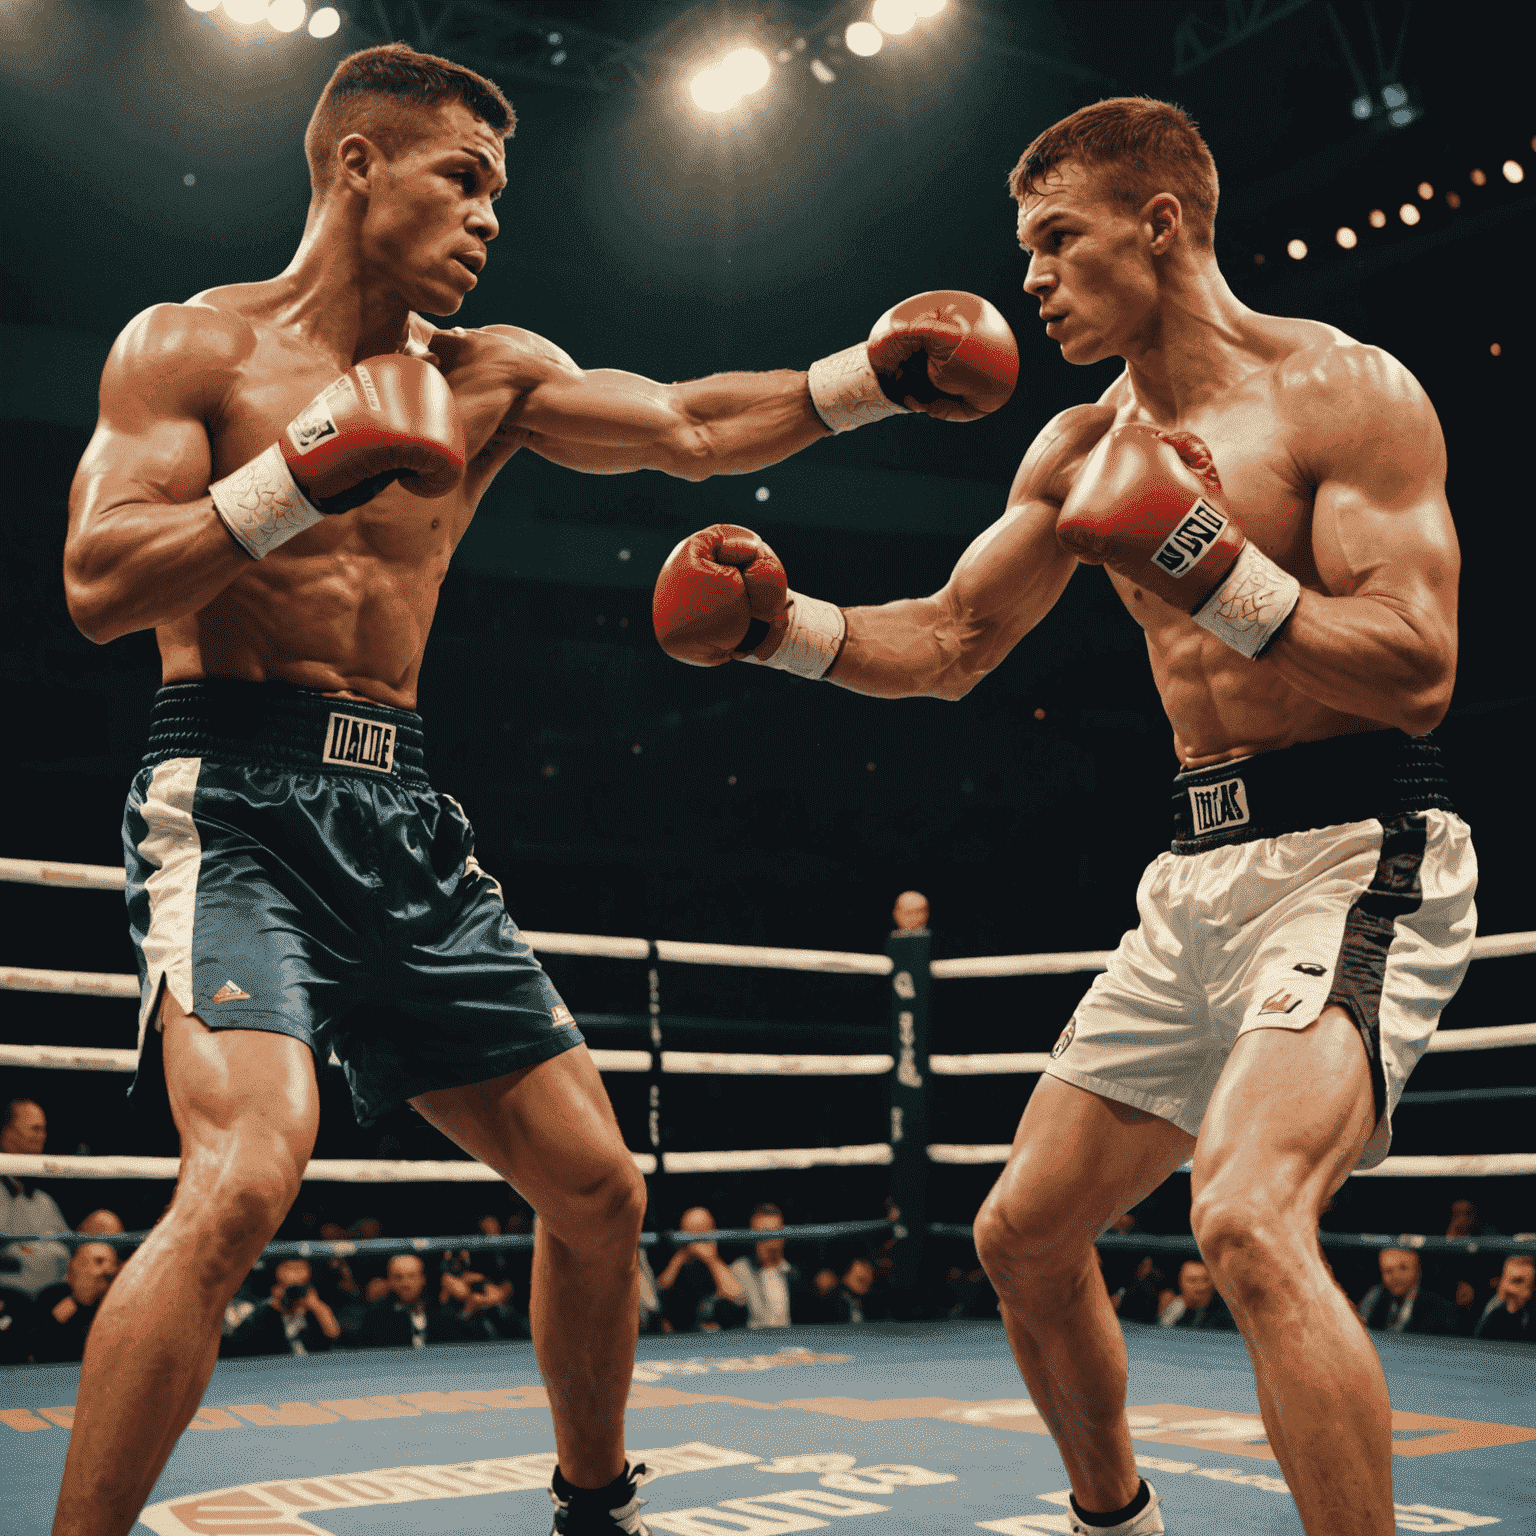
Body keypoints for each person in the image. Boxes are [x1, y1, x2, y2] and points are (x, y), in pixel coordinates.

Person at [54, 39, 1010, 1536]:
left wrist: (871, 381)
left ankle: (593, 1506)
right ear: (357, 165)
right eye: (465, 178)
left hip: (406, 819)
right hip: (232, 799)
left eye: (500, 189)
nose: (493, 215)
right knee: (246, 1177)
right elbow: (100, 583)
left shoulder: (487, 374)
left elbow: (691, 426)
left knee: (599, 1188)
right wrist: (300, 470)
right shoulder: (191, 350)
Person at [654, 96, 1477, 1536]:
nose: (1028, 278)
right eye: (1023, 248)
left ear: (1160, 226)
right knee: (1025, 1236)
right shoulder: (1078, 445)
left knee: (1244, 1216)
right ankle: (1119, 1523)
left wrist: (1212, 561)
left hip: (1357, 851)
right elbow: (955, 641)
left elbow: (1416, 669)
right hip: (1198, 872)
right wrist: (781, 630)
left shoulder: (1343, 393)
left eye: (1056, 240)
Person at [1, 1097, 72, 1302]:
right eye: (35, 1129)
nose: (42, 1136)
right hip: (12, 1303)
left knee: (103, 1223)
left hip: (52, 1302)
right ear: (8, 1134)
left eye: (44, 1129)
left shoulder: (44, 1201)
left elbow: (71, 1250)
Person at [653, 1207, 748, 1333]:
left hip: (724, 1339)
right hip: (683, 1339)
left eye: (702, 1233)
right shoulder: (675, 1262)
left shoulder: (724, 1258)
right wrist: (681, 1256)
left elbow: (739, 1299)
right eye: (690, 1234)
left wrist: (712, 1260)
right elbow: (657, 1297)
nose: (696, 1241)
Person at [224, 1257, 341, 1356]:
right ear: (277, 1289)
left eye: (300, 1289)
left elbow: (333, 1334)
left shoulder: (313, 1311)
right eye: (290, 1289)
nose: (294, 1295)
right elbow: (238, 1346)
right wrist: (276, 1308)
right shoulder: (265, 1315)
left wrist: (317, 1306)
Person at [727, 1203, 817, 1329]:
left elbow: (810, 1317)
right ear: (752, 1237)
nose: (769, 1240)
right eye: (762, 1234)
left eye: (774, 1233)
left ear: (783, 1236)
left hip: (790, 1344)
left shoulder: (796, 1273)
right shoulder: (739, 1269)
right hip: (751, 1344)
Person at [30, 1243, 122, 1364]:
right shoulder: (52, 1296)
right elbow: (39, 1349)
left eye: (113, 1263)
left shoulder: (119, 1301)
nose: (109, 1269)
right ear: (76, 1265)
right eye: (99, 1261)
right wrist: (78, 1300)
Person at [358, 1253, 463, 1349]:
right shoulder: (376, 1319)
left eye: (412, 1276)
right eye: (398, 1278)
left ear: (422, 1279)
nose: (405, 1284)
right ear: (389, 1282)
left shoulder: (442, 1313)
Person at [1356, 1248, 1455, 1335]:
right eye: (1388, 1271)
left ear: (1418, 1271)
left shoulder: (1439, 1307)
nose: (1395, 1276)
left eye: (1403, 1268)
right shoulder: (1376, 1296)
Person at [1156, 1260, 1235, 1331]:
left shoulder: (1228, 1316)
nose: (1201, 1287)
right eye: (1192, 1281)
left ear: (1214, 1283)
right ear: (1181, 1283)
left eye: (1205, 1280)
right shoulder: (1172, 1307)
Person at [1471, 1255, 1534, 1342]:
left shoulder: (1528, 1313)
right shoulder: (1492, 1313)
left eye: (1531, 1284)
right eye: (1517, 1281)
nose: (1527, 1291)